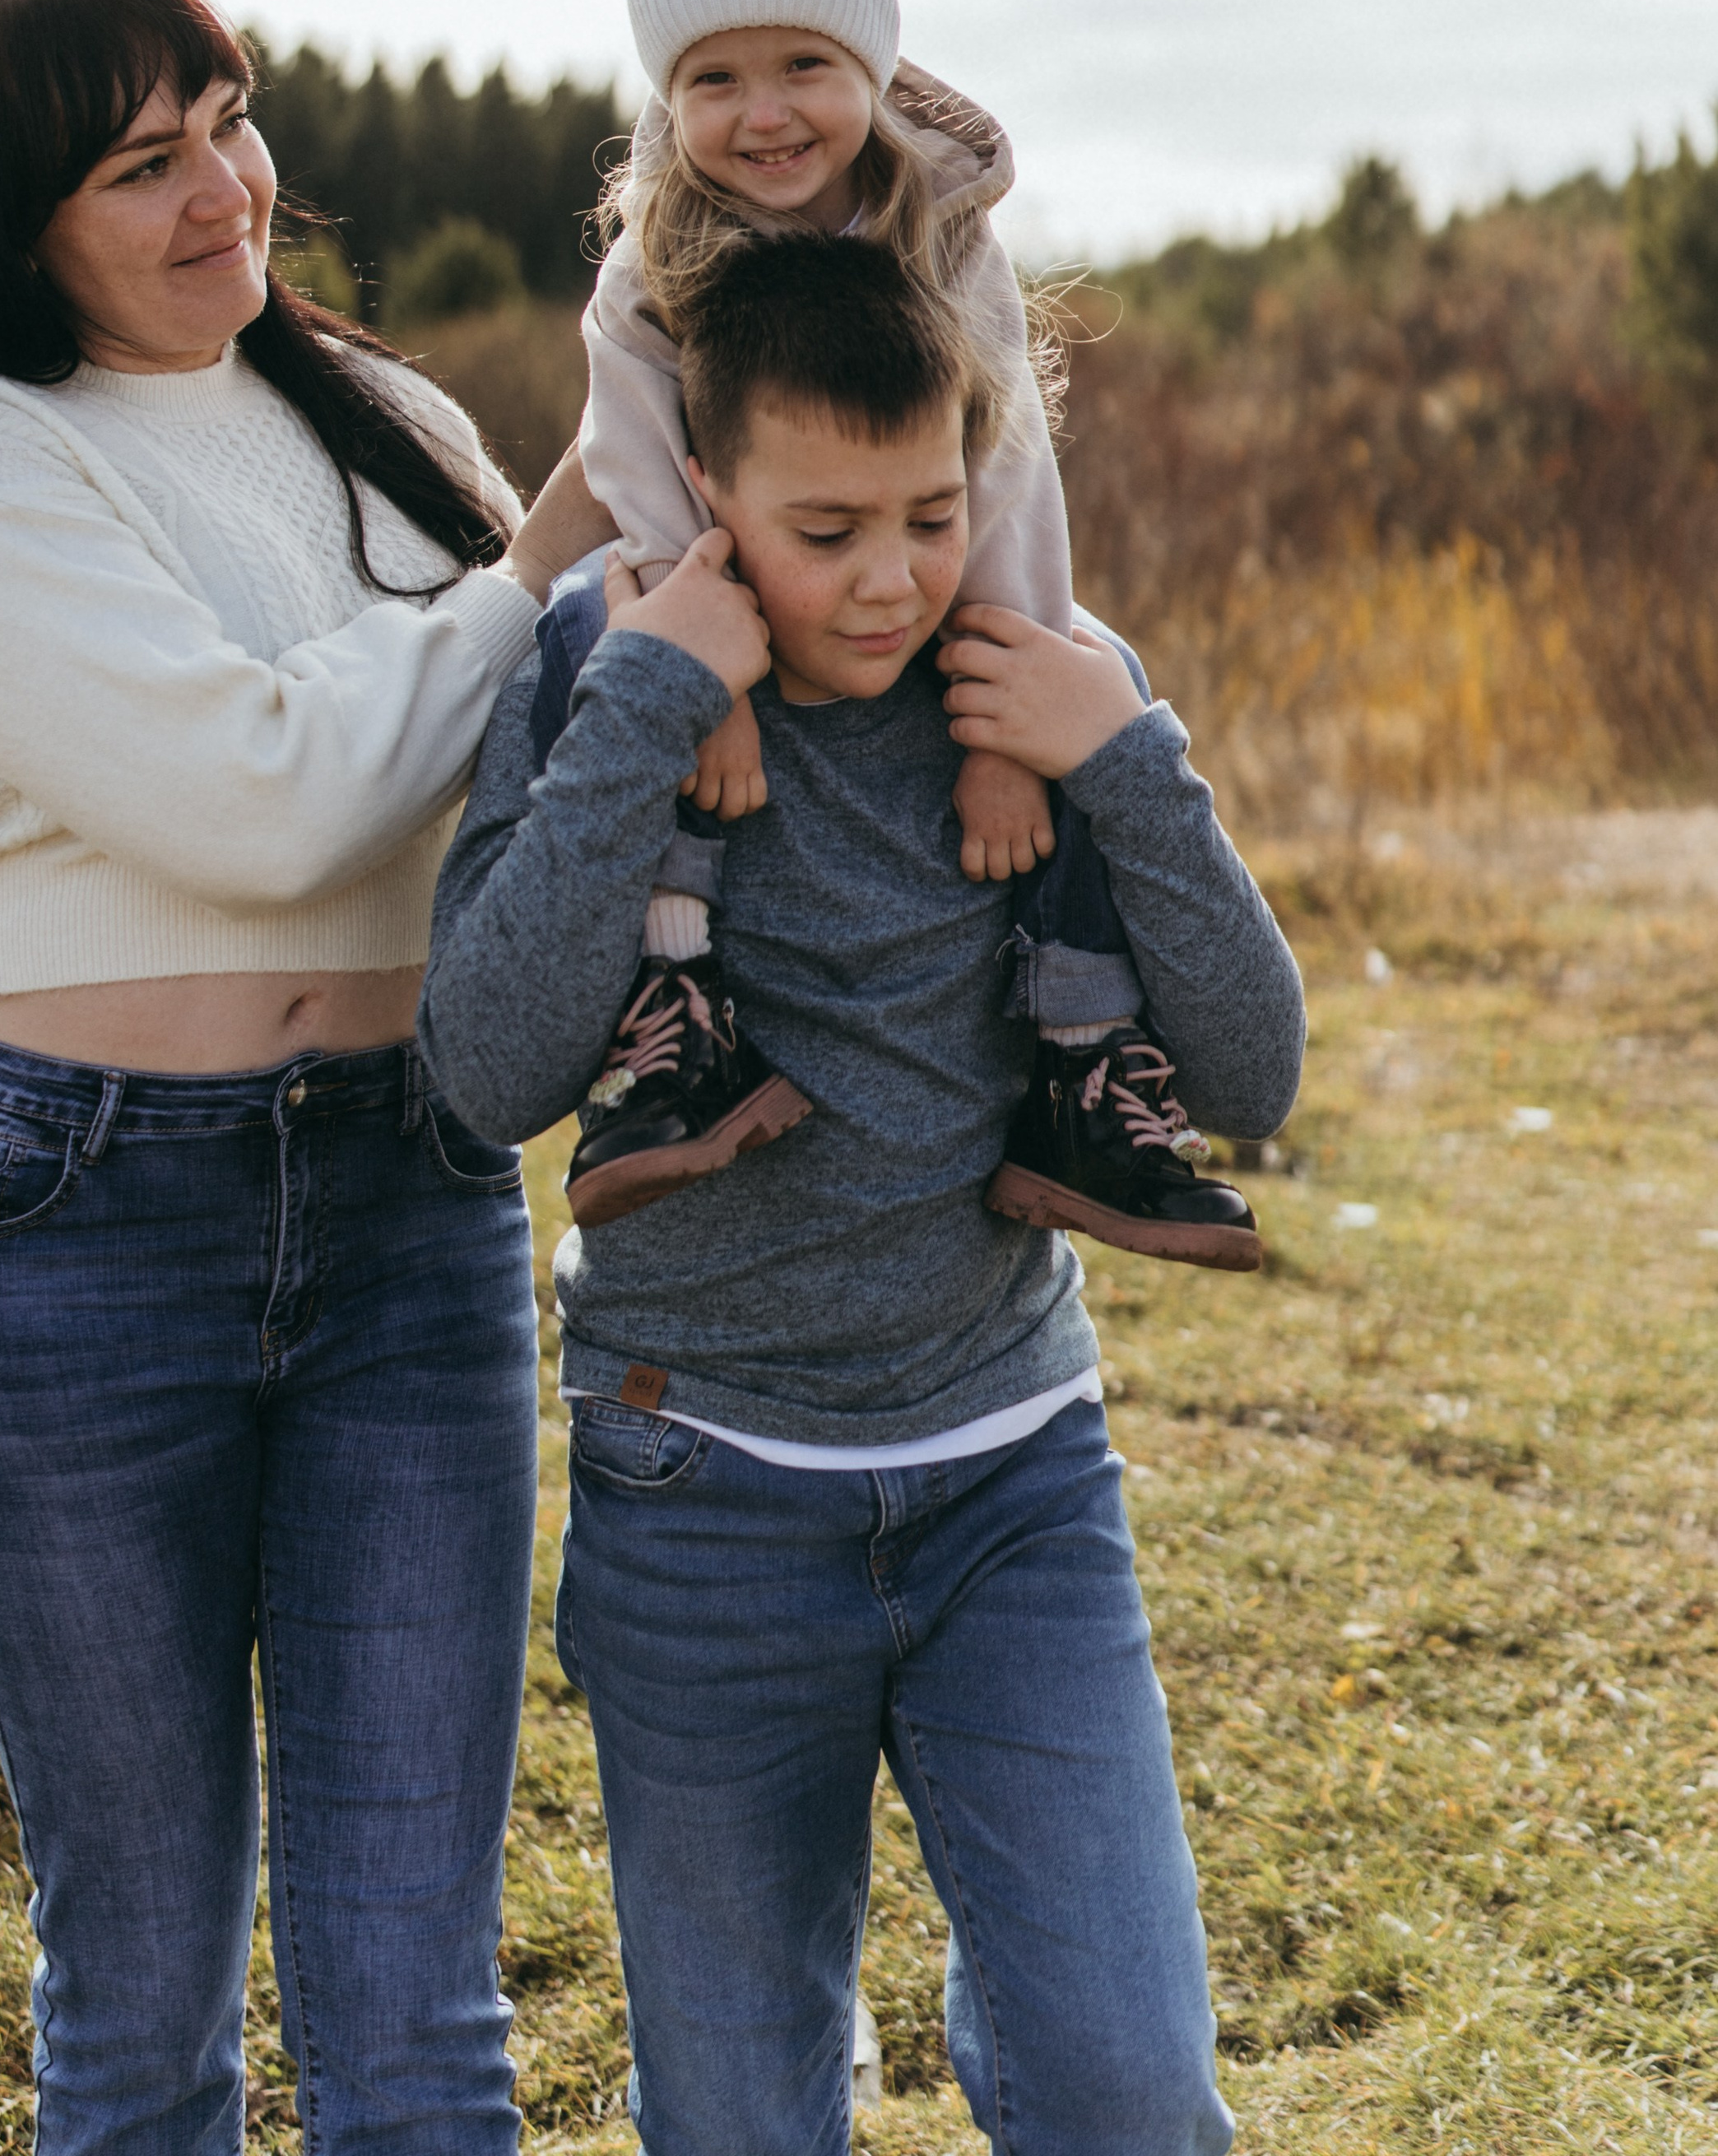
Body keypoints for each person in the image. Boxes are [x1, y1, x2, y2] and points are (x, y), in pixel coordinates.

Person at [0, 0, 597, 2156]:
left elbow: (534, 788)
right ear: (14, 217)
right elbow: (264, 803)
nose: (220, 190)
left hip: (406, 1205)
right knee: (147, 1998)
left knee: (421, 2017)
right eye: (140, 163)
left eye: (229, 122)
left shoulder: (396, 425)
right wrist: (541, 559)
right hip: (73, 1234)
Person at [420, 233, 1306, 2156]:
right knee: (739, 2125)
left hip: (1013, 1481)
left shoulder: (1046, 688)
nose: (890, 579)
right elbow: (484, 1078)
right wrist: (650, 701)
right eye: (823, 531)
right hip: (699, 1499)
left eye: (927, 514)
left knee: (1131, 2101)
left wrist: (1129, 761)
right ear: (705, 493)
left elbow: (1252, 1081)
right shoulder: (607, 674)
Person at [550, 0, 1257, 1266]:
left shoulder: (943, 232)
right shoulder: (653, 258)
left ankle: (1084, 1062)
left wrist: (1008, 726)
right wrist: (711, 682)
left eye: (807, 65)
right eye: (714, 78)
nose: (766, 114)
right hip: (714, 588)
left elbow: (1005, 477)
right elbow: (630, 460)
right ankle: (666, 1028)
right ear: (667, 96)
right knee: (626, 684)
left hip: (937, 584)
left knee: (1061, 694)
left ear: (870, 65)